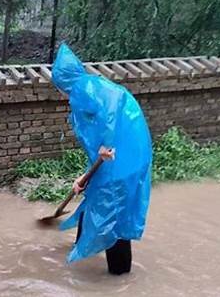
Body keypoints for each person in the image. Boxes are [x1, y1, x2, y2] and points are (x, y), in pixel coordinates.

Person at [51, 43, 153, 275]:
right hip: (121, 153)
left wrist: (106, 144)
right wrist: (85, 176)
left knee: (113, 210)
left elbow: (111, 108)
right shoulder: (87, 88)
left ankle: (120, 277)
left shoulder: (84, 88)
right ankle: (81, 246)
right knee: (97, 193)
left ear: (62, 81)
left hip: (123, 156)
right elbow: (97, 142)